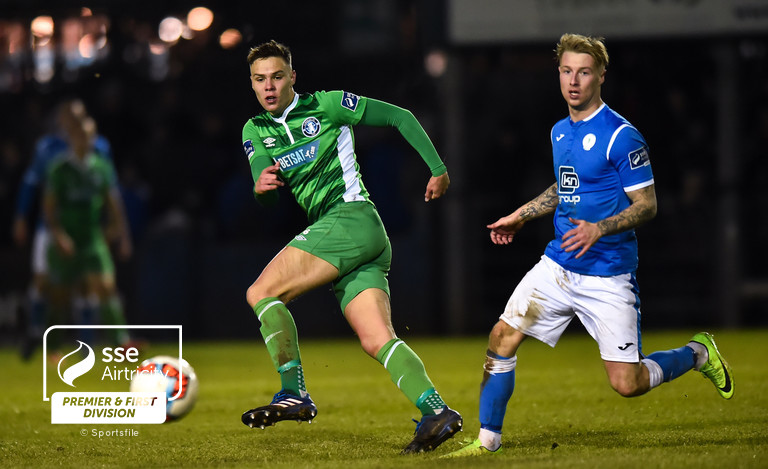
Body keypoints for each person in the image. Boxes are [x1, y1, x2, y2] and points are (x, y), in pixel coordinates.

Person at [445, 33, 734, 457]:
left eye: (583, 72)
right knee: (502, 335)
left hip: (607, 273)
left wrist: (600, 228)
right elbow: (566, 187)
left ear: (601, 75)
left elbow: (648, 205)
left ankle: (696, 353)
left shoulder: (622, 136)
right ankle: (487, 441)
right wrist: (522, 216)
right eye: (566, 71)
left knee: (627, 384)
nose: (573, 81)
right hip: (559, 265)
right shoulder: (560, 131)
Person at [239, 40, 462, 454]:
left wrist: (438, 168)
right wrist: (261, 188)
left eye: (276, 76)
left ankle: (293, 392)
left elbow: (399, 116)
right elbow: (264, 189)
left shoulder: (329, 105)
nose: (268, 86)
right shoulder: (255, 130)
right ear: (252, 84)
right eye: (259, 79)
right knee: (376, 339)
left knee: (261, 293)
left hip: (351, 218)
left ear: (292, 77)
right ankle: (437, 411)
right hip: (359, 238)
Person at [13, 99, 116, 358]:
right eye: (69, 117)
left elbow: (107, 186)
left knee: (87, 283)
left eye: (78, 117)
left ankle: (86, 341)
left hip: (85, 228)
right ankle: (36, 332)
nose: (73, 122)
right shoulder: (48, 147)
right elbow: (31, 182)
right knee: (44, 280)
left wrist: (110, 224)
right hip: (50, 227)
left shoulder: (99, 146)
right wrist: (21, 216)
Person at [43, 112, 133, 351]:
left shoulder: (101, 167)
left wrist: (120, 233)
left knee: (106, 286)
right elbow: (49, 207)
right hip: (68, 236)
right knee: (61, 295)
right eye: (79, 135)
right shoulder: (60, 168)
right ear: (71, 137)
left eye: (88, 135)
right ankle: (52, 346)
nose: (84, 139)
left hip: (93, 235)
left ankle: (121, 342)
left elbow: (113, 203)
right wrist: (58, 235)